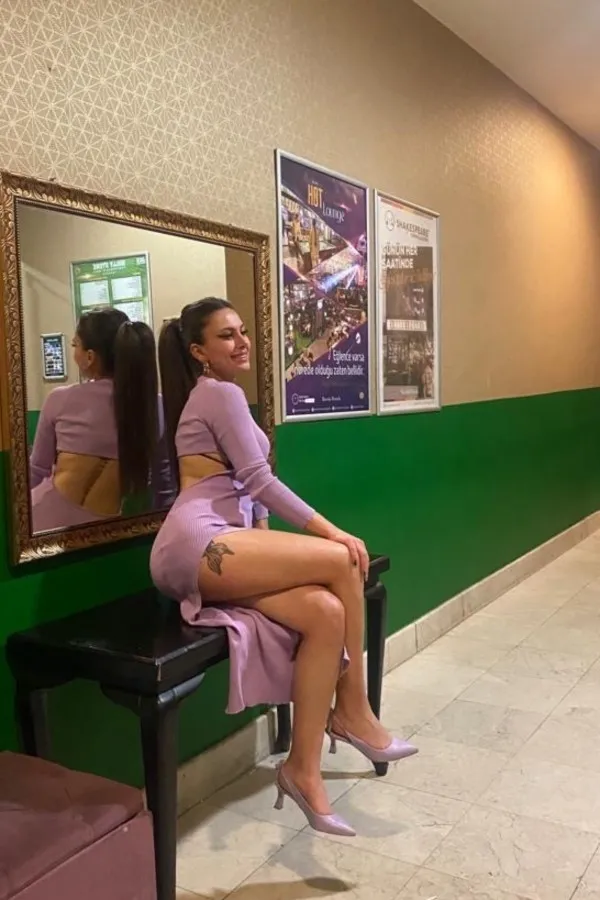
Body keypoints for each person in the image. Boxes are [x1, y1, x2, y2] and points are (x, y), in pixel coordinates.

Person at [151, 297, 417, 837]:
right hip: (195, 540)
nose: (241, 341)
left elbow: (254, 501)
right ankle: (353, 709)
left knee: (324, 613)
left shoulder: (226, 397)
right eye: (226, 335)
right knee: (343, 557)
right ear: (199, 351)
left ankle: (302, 770)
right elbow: (259, 481)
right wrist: (333, 531)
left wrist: (274, 551)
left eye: (242, 330)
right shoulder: (218, 393)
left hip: (228, 545)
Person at [29, 308, 174, 532]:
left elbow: (37, 470)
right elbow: (163, 484)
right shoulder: (154, 406)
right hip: (104, 528)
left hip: (42, 521)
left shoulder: (60, 399)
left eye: (75, 345)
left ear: (90, 357)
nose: (74, 352)